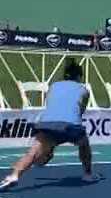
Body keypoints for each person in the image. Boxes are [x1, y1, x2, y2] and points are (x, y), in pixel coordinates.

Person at [1, 60, 97, 190]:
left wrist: (51, 145)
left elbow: (53, 105)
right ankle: (87, 174)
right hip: (70, 126)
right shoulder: (84, 90)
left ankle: (13, 175)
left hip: (47, 123)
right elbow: (80, 111)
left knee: (33, 152)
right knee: (84, 144)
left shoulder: (53, 86)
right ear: (79, 76)